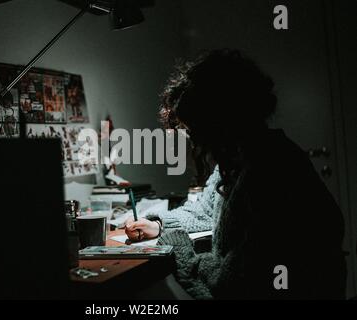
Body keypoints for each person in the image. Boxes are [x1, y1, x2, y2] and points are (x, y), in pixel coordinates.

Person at [145, 49, 346, 299]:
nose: (193, 140)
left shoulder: (270, 172)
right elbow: (205, 211)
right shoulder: (236, 160)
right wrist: (158, 224)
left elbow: (231, 284)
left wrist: (177, 247)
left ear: (221, 120)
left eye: (193, 128)